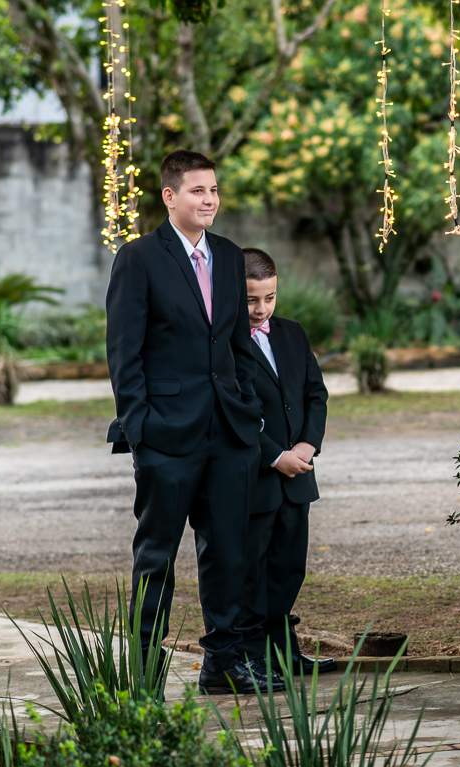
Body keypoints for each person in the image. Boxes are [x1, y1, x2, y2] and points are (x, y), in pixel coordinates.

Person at [106, 149, 280, 695]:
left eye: (214, 191)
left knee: (228, 552)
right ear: (169, 196)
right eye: (198, 191)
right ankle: (145, 672)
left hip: (228, 434)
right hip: (165, 435)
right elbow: (123, 354)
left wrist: (247, 411)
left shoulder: (229, 257)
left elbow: (237, 346)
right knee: (155, 555)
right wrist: (141, 428)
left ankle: (223, 665)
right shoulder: (138, 259)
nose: (210, 200)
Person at [238, 247, 334, 675]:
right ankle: (252, 656)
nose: (261, 310)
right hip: (257, 476)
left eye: (269, 298)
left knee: (289, 567)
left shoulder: (292, 333)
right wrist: (275, 455)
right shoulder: (224, 342)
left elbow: (316, 394)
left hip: (299, 473)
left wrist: (307, 446)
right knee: (252, 570)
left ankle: (283, 652)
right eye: (251, 300)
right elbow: (233, 412)